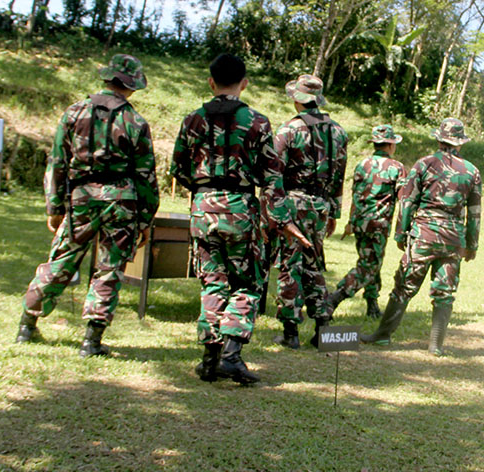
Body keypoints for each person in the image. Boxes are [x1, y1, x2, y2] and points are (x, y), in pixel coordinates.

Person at [171, 54, 308, 384]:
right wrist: (282, 220)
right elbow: (272, 178)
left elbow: (179, 169)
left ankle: (209, 361)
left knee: (212, 282)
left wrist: (205, 190)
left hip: (203, 210)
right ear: (244, 83)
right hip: (240, 210)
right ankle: (231, 356)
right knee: (247, 283)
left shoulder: (192, 120)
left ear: (210, 81)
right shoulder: (259, 123)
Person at [15, 54, 159, 357]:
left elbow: (56, 162)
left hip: (81, 198)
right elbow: (146, 176)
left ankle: (27, 325)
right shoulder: (136, 122)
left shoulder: (73, 113)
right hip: (123, 203)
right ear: (131, 87)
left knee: (62, 260)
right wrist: (145, 220)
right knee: (109, 269)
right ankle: (91, 341)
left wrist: (54, 206)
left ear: (107, 78)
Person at [359, 118, 481, 355]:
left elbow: (407, 200)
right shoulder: (472, 171)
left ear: (438, 139)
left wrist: (400, 233)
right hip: (453, 238)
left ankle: (382, 335)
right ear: (460, 143)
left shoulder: (424, 164)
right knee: (444, 291)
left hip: (424, 234)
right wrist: (472, 244)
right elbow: (475, 212)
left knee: (404, 285)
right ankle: (435, 345)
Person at [272, 74, 348, 349]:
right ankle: (323, 327)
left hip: (294, 204)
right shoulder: (338, 131)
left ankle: (290, 332)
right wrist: (334, 213)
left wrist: (274, 211)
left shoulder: (289, 130)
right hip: (321, 206)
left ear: (297, 100)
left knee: (291, 265)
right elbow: (339, 176)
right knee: (313, 263)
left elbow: (274, 174)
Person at [325, 125, 407, 319]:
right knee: (368, 266)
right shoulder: (397, 168)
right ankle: (334, 298)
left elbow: (356, 195)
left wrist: (350, 222)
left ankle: (372, 304)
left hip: (361, 223)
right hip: (378, 225)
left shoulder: (362, 164)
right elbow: (404, 201)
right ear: (390, 145)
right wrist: (402, 230)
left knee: (370, 262)